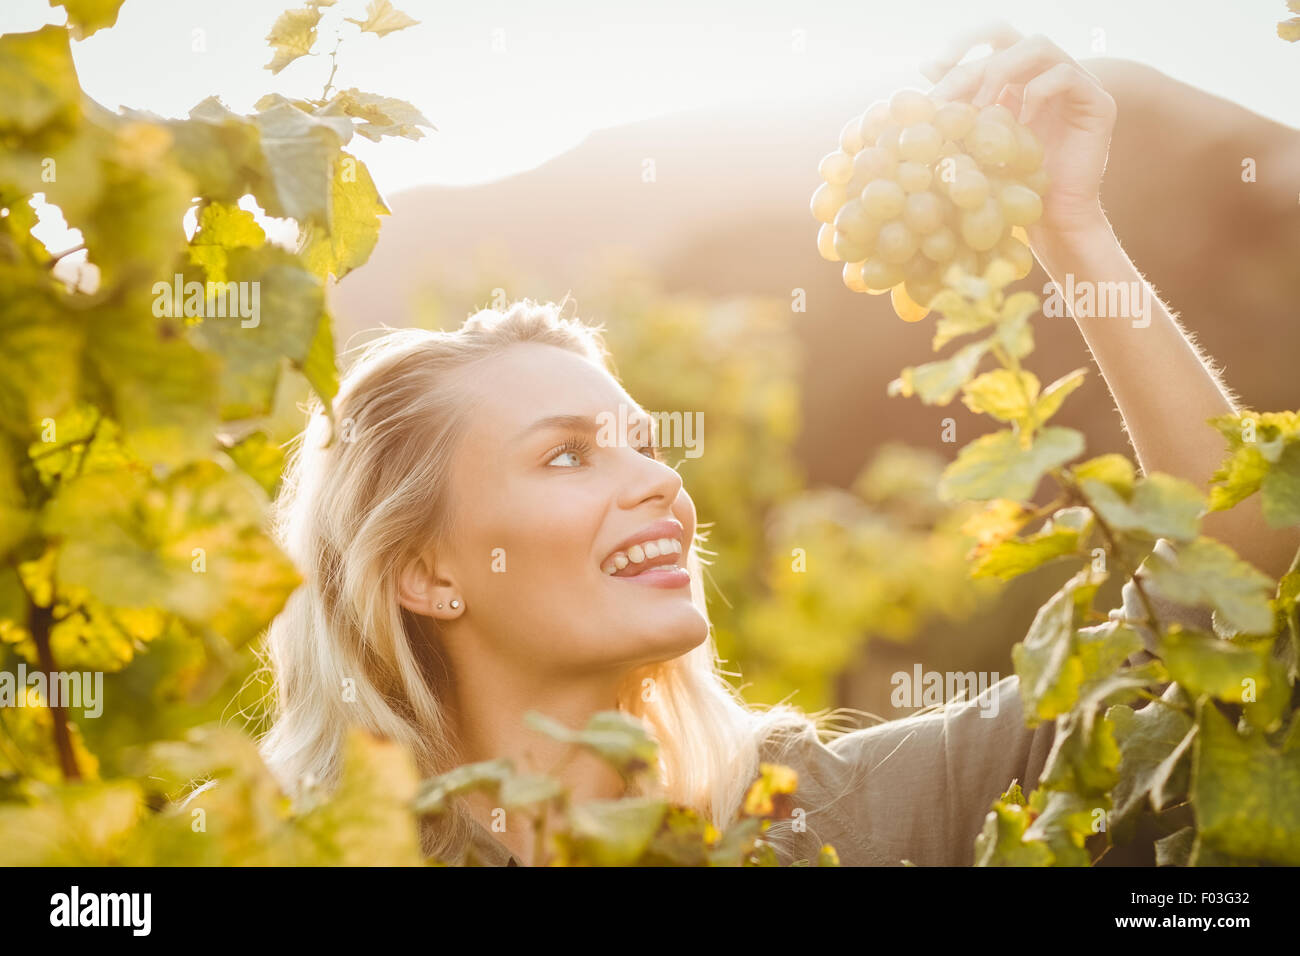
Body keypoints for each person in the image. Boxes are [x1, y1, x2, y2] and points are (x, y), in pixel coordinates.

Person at [256, 26, 1297, 866]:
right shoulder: (288, 851)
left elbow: (1223, 584)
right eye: (567, 454)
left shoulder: (823, 819)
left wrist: (1075, 230)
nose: (661, 480)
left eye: (645, 444)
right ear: (426, 570)